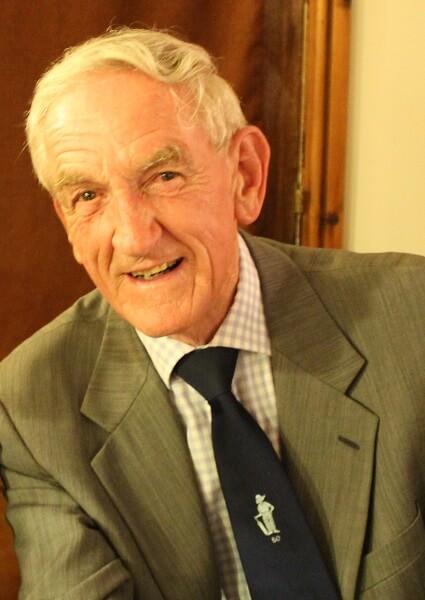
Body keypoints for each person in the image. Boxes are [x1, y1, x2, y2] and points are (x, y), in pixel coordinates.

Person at [0, 27, 424, 600]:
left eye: (164, 176)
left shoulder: (410, 317)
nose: (134, 237)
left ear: (244, 175)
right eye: (88, 196)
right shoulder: (33, 404)